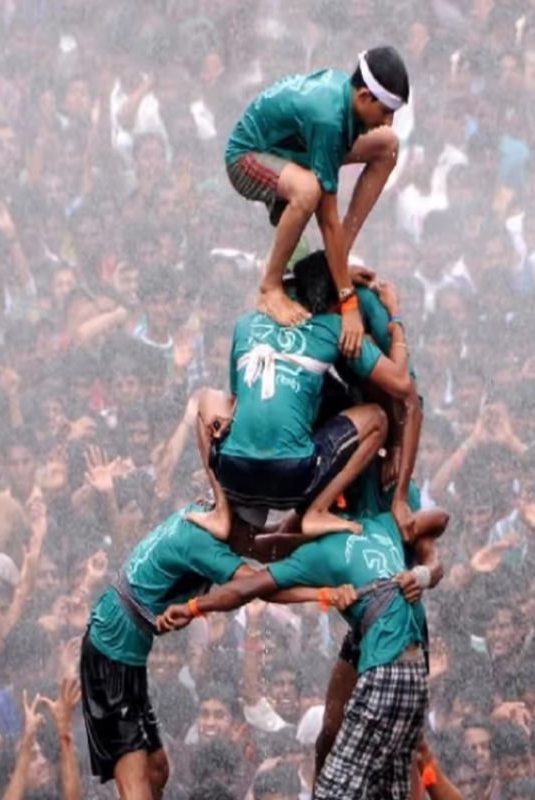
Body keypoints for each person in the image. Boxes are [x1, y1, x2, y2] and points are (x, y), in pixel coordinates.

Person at [157, 509, 436, 799]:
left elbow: (248, 585)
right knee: (389, 789)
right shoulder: (380, 522)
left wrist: (192, 607)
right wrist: (424, 573)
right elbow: (439, 520)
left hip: (387, 672)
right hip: (415, 671)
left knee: (332, 791)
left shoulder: (320, 552)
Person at [80, 504, 344, 800]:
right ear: (234, 524)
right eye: (249, 531)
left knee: (157, 770)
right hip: (111, 650)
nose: (251, 539)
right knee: (136, 784)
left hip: (128, 652)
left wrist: (323, 535)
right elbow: (259, 585)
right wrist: (323, 594)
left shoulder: (204, 512)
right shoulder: (202, 542)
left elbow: (265, 548)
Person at [189, 250, 413, 539]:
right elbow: (401, 382)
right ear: (333, 304)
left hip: (234, 474)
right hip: (294, 480)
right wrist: (395, 318)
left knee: (207, 398)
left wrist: (341, 275)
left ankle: (221, 510)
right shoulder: (334, 327)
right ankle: (317, 511)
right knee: (378, 418)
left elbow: (236, 399)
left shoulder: (247, 324)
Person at [226, 45, 408, 339]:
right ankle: (270, 287)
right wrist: (348, 303)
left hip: (293, 152)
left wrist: (338, 273)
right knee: (309, 191)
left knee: (388, 145)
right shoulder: (328, 120)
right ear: (363, 96)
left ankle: (331, 266)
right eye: (385, 112)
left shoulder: (348, 98)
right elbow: (327, 220)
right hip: (248, 157)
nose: (388, 121)